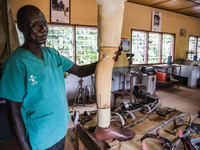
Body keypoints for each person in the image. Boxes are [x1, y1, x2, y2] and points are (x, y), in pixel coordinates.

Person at [0, 5, 100, 150]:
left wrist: (105, 61)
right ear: (21, 27)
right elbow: (13, 111)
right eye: (35, 25)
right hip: (39, 138)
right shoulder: (16, 63)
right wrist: (24, 147)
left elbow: (80, 70)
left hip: (60, 130)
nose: (43, 29)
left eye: (44, 24)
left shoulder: (52, 54)